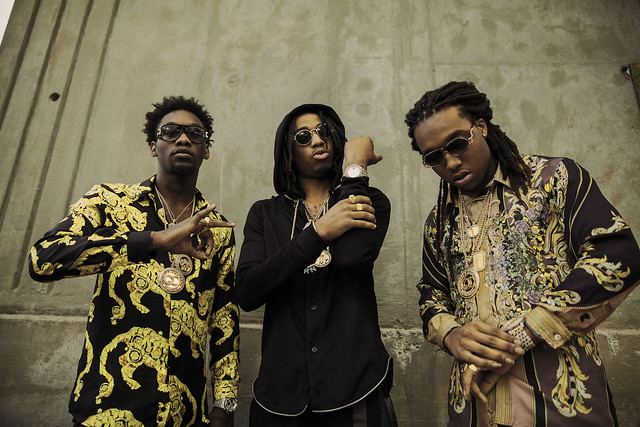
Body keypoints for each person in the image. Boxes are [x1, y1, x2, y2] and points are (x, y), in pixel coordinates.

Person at [404, 81, 640, 426]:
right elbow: (431, 294)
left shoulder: (554, 180)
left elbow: (618, 255)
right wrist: (451, 334)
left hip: (561, 401)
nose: (450, 162)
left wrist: (527, 331)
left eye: (457, 144)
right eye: (434, 157)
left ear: (481, 127)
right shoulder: (439, 221)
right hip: (474, 405)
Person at [28, 96, 239, 426]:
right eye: (170, 132)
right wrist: (153, 240)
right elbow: (42, 259)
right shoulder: (109, 201)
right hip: (107, 409)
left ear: (206, 150)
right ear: (154, 146)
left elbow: (224, 320)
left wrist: (224, 406)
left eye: (195, 133)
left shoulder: (218, 230)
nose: (183, 139)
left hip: (185, 415)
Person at [235, 104, 397, 426]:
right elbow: (248, 292)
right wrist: (319, 232)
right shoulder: (264, 214)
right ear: (288, 150)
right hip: (281, 398)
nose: (318, 141)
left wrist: (355, 168)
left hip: (355, 392)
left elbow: (352, 257)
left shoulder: (372, 199)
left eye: (325, 132)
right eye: (303, 136)